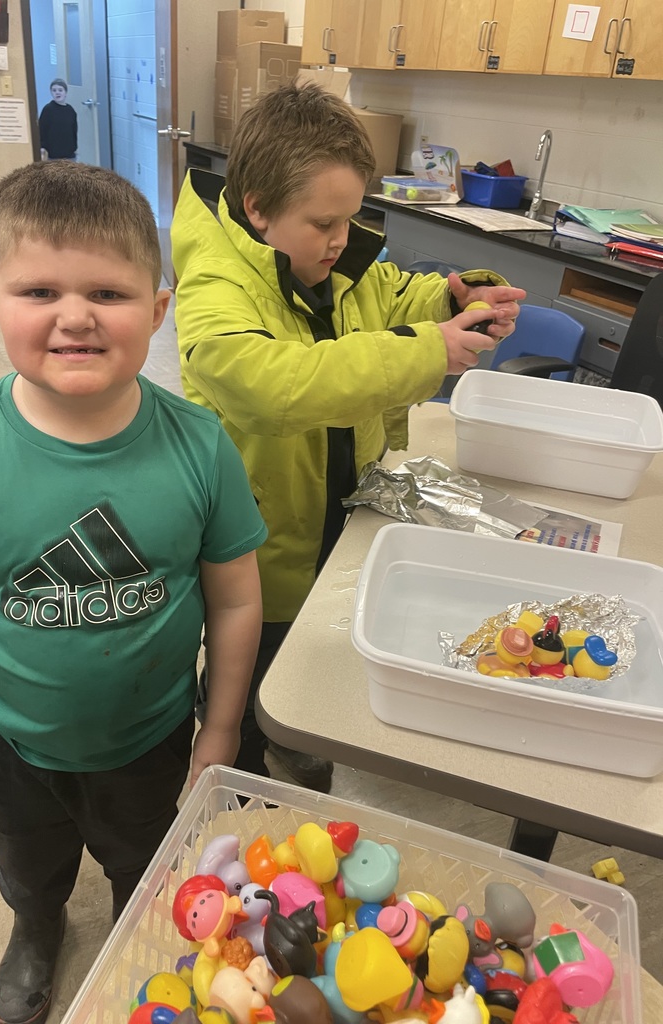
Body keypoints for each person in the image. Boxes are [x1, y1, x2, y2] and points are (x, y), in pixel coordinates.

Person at [0, 161, 267, 1024]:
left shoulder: (200, 445)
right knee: (30, 868)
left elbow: (237, 601)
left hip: (155, 736)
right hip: (13, 745)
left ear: (159, 307)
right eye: (39, 290)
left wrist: (219, 727)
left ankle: (147, 929)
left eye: (108, 290)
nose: (75, 316)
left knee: (150, 862)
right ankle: (36, 929)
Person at [171, 81, 526, 793]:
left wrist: (454, 298)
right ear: (258, 211)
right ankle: (237, 775)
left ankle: (296, 741)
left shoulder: (333, 259)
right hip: (259, 543)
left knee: (317, 655)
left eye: (352, 216)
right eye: (323, 222)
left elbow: (393, 294)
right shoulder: (213, 290)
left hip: (339, 507)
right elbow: (281, 385)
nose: (340, 238)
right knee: (252, 666)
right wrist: (428, 351)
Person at [38, 78, 78, 160]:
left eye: (60, 90)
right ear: (51, 92)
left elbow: (74, 130)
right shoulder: (48, 109)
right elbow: (42, 129)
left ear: (65, 92)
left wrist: (74, 148)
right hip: (53, 154)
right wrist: (42, 147)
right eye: (54, 90)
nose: (57, 93)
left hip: (69, 153)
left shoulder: (70, 110)